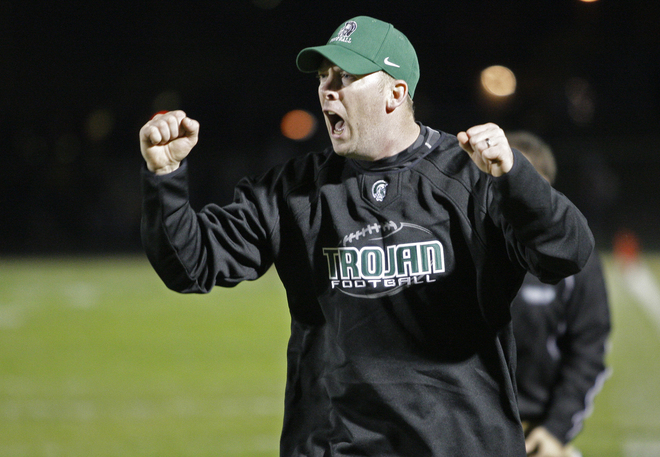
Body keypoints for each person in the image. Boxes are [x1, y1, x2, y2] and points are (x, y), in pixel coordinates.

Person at [139, 16, 594, 456]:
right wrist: (165, 177)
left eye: (345, 75)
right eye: (323, 76)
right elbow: (190, 265)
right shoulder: (294, 191)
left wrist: (516, 177)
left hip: (462, 443)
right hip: (336, 444)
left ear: (395, 93)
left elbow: (568, 252)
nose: (326, 89)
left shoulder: (468, 174)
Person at [507, 131, 611, 457]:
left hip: (538, 429)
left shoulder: (576, 258)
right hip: (470, 428)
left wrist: (555, 430)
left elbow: (588, 350)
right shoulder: (461, 248)